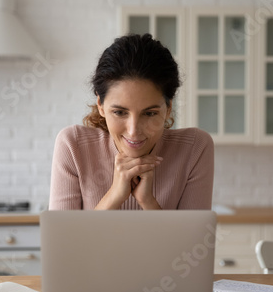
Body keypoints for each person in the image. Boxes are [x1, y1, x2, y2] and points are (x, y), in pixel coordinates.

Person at [49, 34, 214, 210]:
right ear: (101, 105)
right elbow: (65, 238)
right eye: (120, 112)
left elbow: (193, 239)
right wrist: (114, 196)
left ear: (168, 108)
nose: (134, 131)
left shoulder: (195, 149)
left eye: (150, 113)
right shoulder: (73, 146)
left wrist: (147, 201)